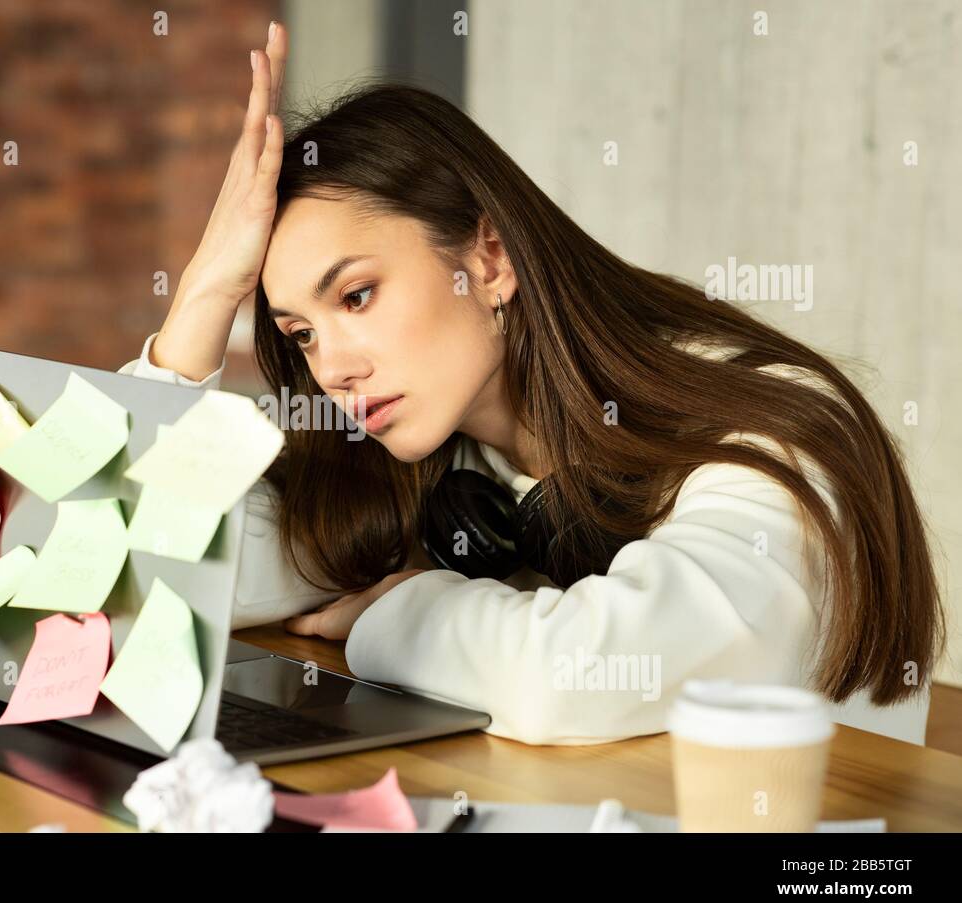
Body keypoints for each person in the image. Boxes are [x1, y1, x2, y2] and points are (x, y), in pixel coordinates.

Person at [120, 22, 944, 745]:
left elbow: (585, 671)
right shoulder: (438, 464)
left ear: (489, 259)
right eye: (301, 333)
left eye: (357, 295)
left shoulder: (768, 432)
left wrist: (391, 613)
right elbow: (142, 569)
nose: (331, 366)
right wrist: (199, 303)